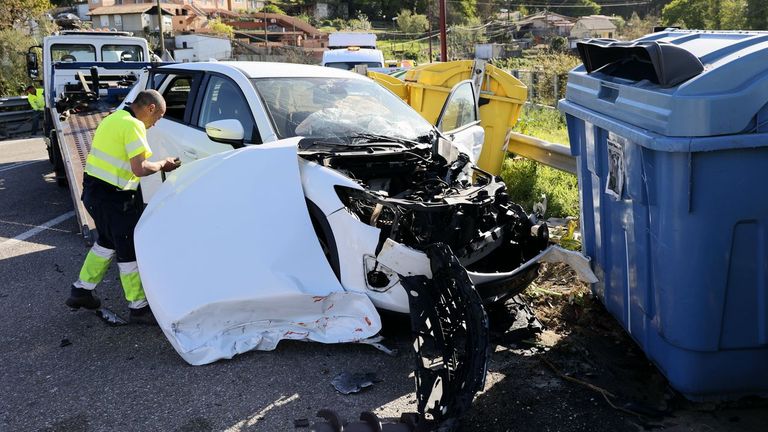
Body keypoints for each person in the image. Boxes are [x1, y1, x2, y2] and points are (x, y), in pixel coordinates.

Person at [66, 90, 180, 325]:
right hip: (114, 198)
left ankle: (82, 290)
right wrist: (163, 164)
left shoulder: (113, 119)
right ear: (149, 109)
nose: (155, 123)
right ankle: (138, 307)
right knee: (128, 249)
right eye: (158, 117)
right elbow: (139, 169)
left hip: (94, 192)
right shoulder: (133, 126)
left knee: (107, 241)